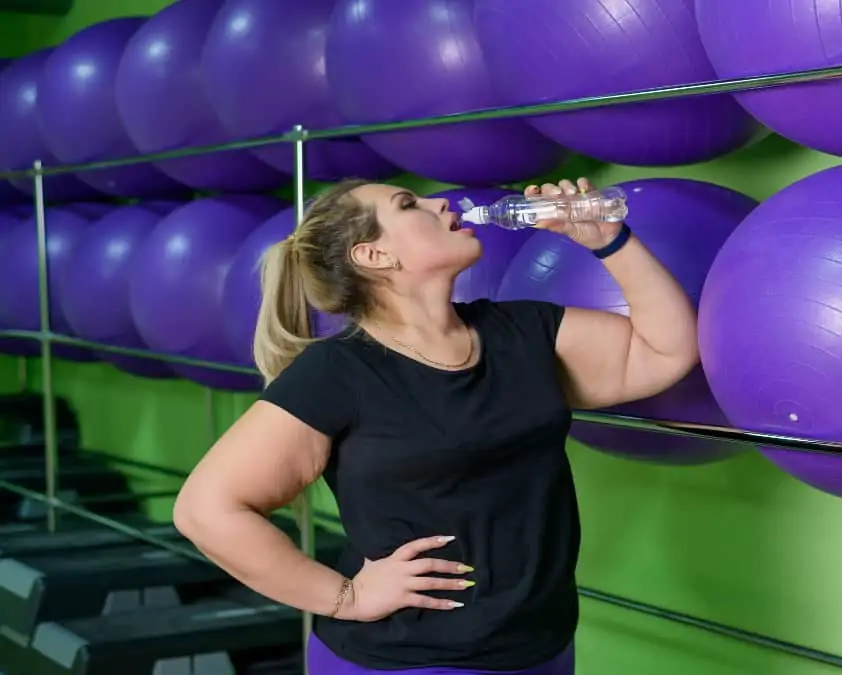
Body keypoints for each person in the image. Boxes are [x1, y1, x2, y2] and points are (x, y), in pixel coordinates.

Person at [173, 177, 699, 674]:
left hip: (540, 646)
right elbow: (207, 510)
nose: (441, 204)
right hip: (409, 657)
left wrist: (609, 240)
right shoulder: (338, 373)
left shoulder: (520, 331)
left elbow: (665, 351)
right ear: (375, 256)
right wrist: (346, 597)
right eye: (409, 205)